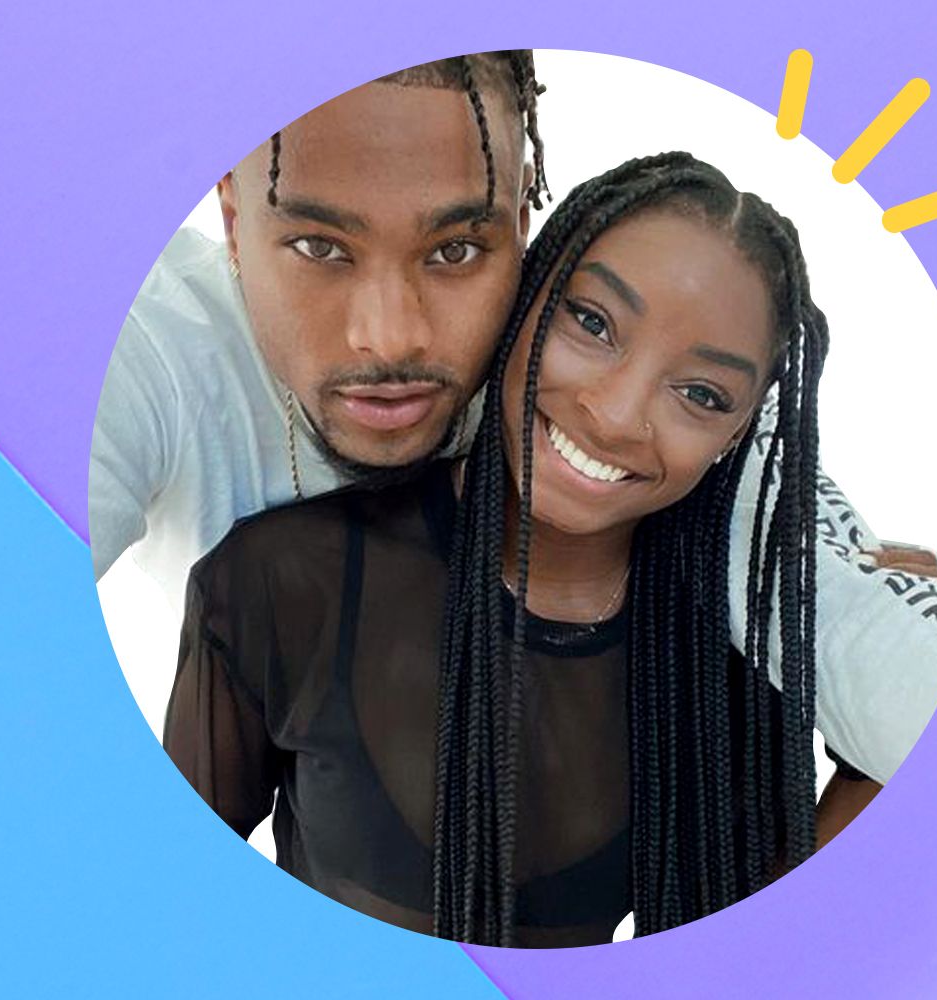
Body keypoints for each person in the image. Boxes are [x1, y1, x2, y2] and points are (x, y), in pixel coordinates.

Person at [91, 51, 937, 822]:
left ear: (522, 228)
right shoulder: (145, 350)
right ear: (236, 224)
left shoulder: (637, 388)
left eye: (456, 250)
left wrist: (857, 596)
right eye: (321, 247)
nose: (391, 337)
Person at [167, 153, 880, 946]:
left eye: (701, 394)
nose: (614, 415)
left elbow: (749, 959)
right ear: (525, 296)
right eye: (594, 323)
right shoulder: (280, 579)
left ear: (737, 434)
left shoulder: (730, 668)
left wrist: (886, 654)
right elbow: (162, 894)